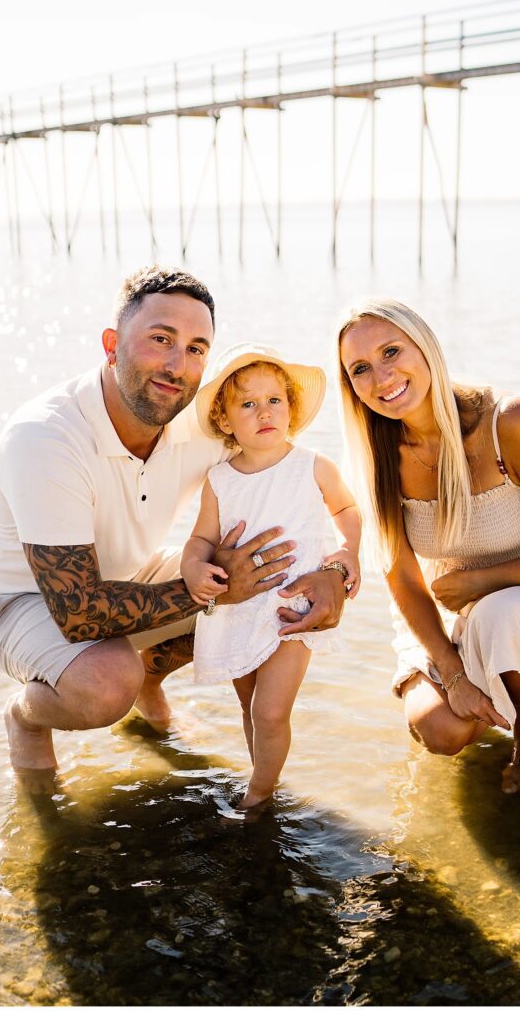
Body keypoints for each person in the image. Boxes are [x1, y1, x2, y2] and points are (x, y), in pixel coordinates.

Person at [0, 265, 347, 793]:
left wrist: (333, 571)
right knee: (105, 683)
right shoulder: (45, 439)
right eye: (160, 339)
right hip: (21, 600)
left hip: (129, 572)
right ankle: (26, 717)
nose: (176, 365)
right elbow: (78, 613)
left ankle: (151, 684)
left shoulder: (202, 425)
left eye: (195, 348)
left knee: (251, 575)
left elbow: (286, 477)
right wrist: (219, 591)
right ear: (111, 345)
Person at [335, 297, 520, 794]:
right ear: (351, 385)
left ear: (425, 348)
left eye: (392, 352)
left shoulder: (508, 422)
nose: (381, 378)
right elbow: (401, 575)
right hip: (455, 614)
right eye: (360, 368)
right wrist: (452, 671)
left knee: (500, 614)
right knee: (442, 731)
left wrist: (482, 581)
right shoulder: (380, 456)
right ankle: (497, 690)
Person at [180, 345, 361, 810]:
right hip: (238, 610)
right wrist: (194, 567)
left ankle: (259, 797)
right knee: (249, 709)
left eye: (274, 400)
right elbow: (201, 538)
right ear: (226, 421)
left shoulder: (311, 465)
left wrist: (348, 552)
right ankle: (263, 775)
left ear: (291, 409)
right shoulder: (220, 479)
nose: (264, 412)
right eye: (248, 404)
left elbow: (346, 508)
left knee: (270, 709)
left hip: (290, 608)